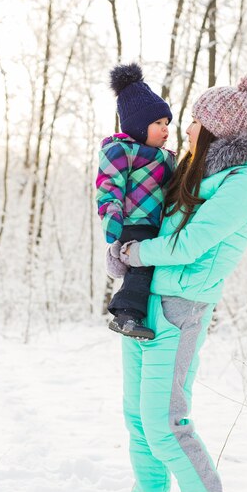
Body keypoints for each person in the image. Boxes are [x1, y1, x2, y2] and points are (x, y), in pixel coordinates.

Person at [109, 75, 247, 492]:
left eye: (193, 119)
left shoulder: (245, 179)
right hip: (145, 303)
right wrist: (121, 248)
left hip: (181, 307)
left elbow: (191, 244)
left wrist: (134, 253)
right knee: (139, 424)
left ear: (213, 128)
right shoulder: (194, 168)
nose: (185, 127)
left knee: (166, 425)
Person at [96, 63, 176, 340]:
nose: (165, 129)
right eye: (158, 124)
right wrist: (112, 217)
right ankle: (125, 316)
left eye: (167, 123)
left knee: (149, 267)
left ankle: (134, 313)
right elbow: (109, 184)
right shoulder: (121, 150)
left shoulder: (165, 156)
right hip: (135, 220)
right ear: (139, 126)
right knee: (142, 267)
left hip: (156, 222)